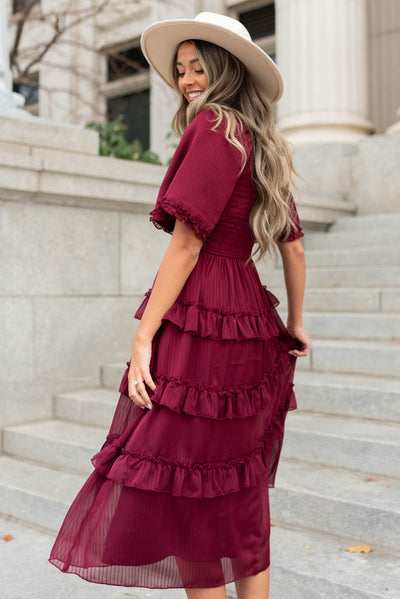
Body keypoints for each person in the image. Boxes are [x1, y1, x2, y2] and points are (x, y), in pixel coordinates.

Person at [48, 11, 311, 599]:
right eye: (182, 69)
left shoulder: (215, 126)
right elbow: (293, 248)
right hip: (249, 319)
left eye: (200, 67)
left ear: (226, 71)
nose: (188, 79)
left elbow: (190, 241)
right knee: (237, 485)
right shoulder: (262, 142)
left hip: (203, 319)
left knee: (190, 489)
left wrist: (145, 332)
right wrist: (294, 323)